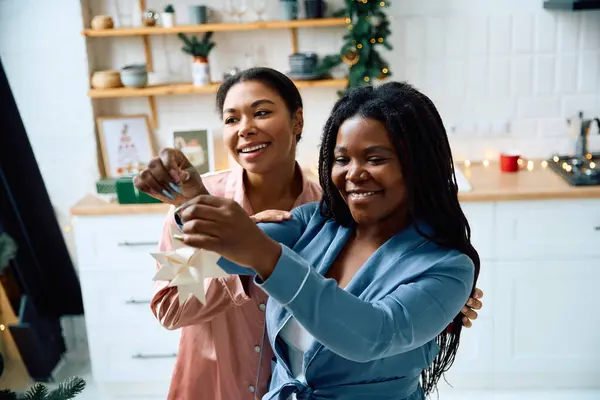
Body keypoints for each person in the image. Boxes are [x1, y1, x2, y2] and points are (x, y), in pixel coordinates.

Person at [133, 69, 483, 400]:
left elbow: (375, 331)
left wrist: (440, 304)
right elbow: (171, 302)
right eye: (231, 118)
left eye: (261, 112)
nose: (246, 128)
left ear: (297, 121)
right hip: (217, 382)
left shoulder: (322, 206)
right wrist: (195, 207)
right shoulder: (202, 203)